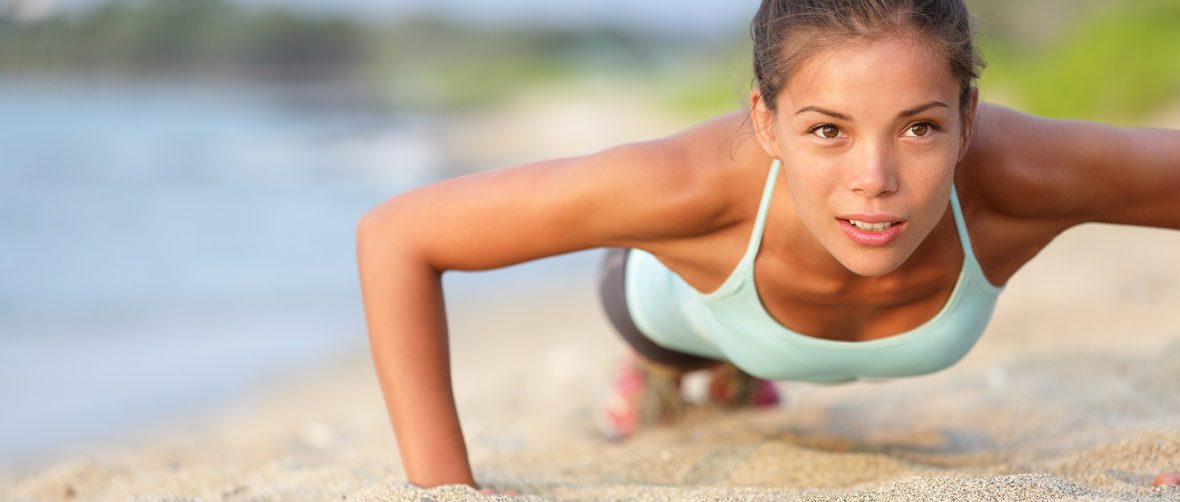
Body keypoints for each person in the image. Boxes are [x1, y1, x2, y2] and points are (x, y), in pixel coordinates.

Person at [355, 0, 1180, 492]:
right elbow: (397, 236)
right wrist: (444, 493)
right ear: (764, 121)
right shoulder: (685, 187)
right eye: (827, 130)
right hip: (683, 299)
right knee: (666, 335)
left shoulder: (1023, 176)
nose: (875, 178)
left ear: (969, 117)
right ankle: (675, 370)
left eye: (920, 127)